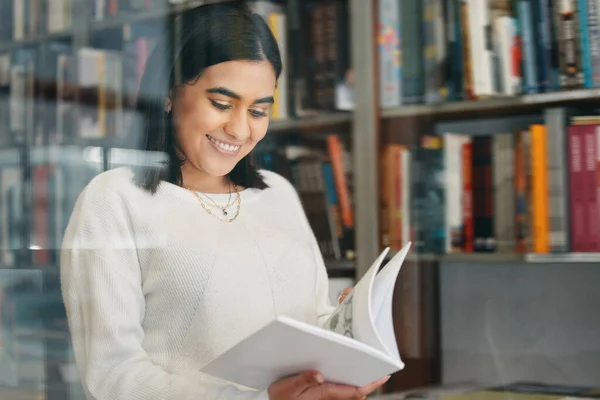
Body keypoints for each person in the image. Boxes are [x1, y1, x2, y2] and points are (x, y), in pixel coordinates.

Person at [59, 2, 389, 400]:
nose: (239, 128)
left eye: (258, 110)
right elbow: (113, 374)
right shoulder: (114, 200)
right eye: (221, 103)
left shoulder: (277, 192)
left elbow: (308, 322)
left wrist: (346, 333)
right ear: (168, 94)